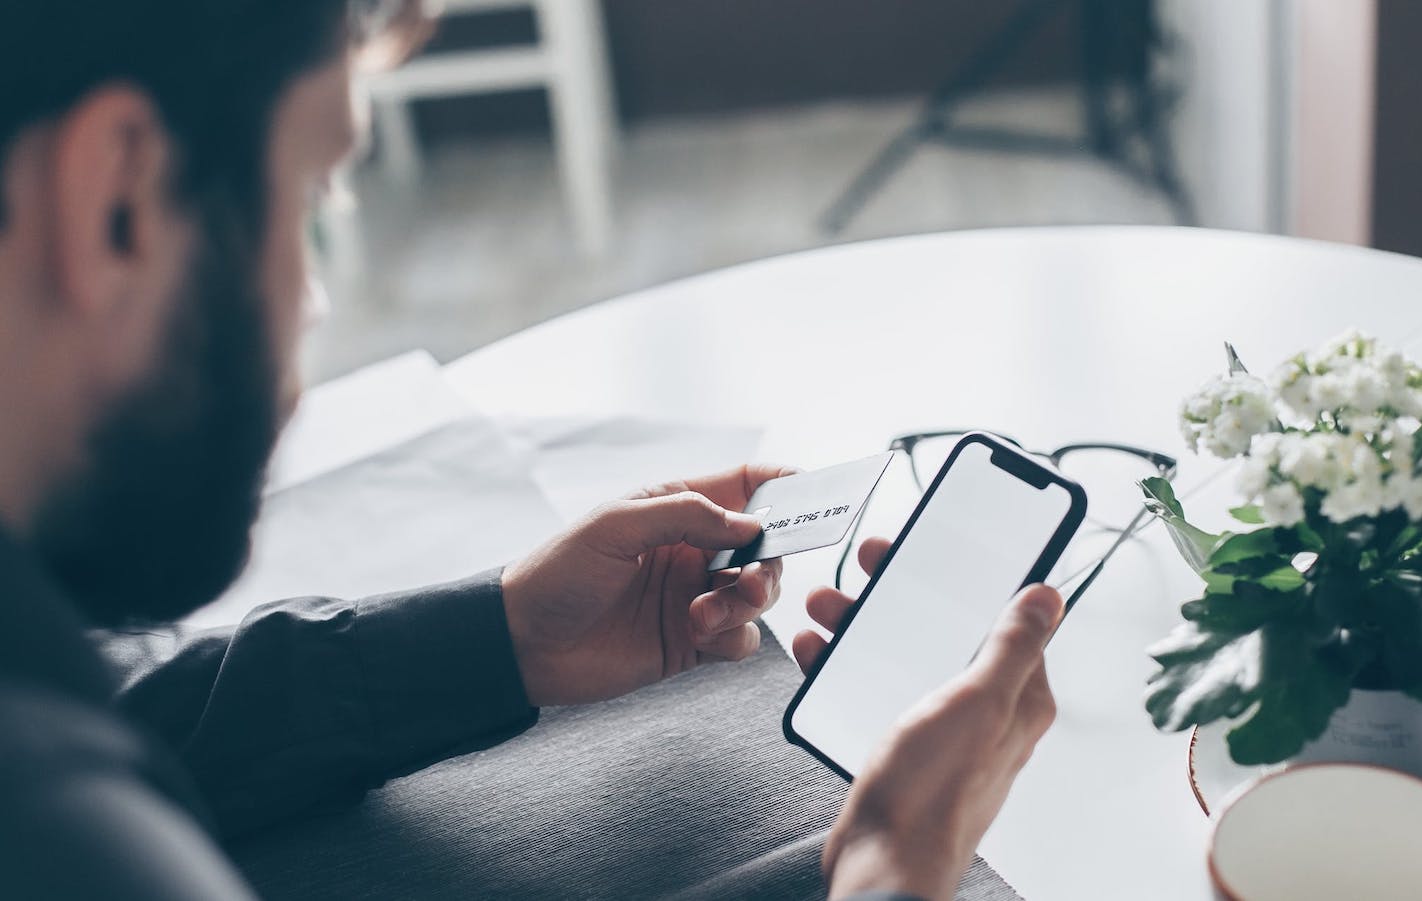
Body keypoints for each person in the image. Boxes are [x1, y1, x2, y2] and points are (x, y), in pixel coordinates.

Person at [0, 3, 1063, 899]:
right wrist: (898, 867)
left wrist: (495, 636)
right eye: (311, 199)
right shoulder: (72, 832)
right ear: (117, 200)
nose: (311, 309)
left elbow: (134, 706)